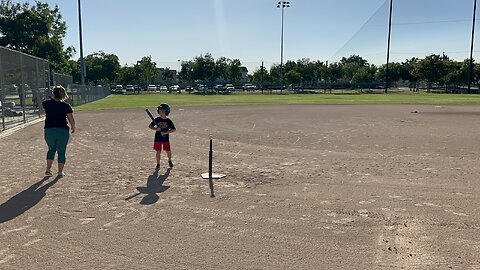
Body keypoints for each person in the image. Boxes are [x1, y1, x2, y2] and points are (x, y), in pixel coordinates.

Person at [42, 86, 75, 177]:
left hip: (49, 130)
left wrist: (50, 97)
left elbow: (44, 103)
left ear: (53, 93)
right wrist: (73, 127)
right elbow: (71, 119)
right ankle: (60, 172)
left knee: (51, 149)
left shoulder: (47, 103)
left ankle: (48, 169)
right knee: (61, 151)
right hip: (62, 130)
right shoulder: (66, 106)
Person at [148, 103, 176, 170]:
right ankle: (158, 164)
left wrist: (165, 132)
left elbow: (173, 129)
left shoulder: (168, 121)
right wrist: (156, 129)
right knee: (158, 151)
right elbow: (150, 126)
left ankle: (169, 160)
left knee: (168, 151)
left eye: (161, 111)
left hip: (165, 139)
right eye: (159, 111)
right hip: (158, 138)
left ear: (166, 112)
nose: (160, 112)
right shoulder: (157, 119)